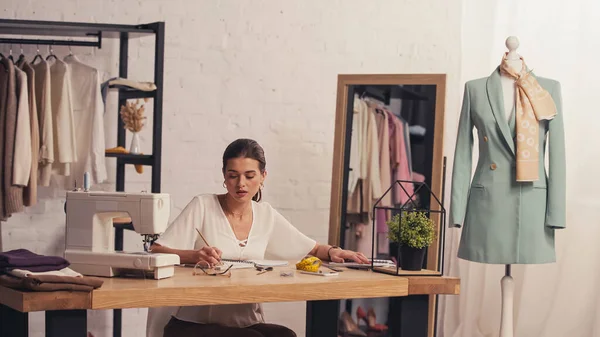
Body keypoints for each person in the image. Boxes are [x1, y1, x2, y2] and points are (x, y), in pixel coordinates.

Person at [150, 138, 370, 337]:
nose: (241, 184)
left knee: (286, 335)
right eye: (233, 175)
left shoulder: (265, 215)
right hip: (192, 323)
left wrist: (335, 251)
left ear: (263, 177)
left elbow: (311, 249)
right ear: (224, 177)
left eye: (249, 175)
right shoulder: (203, 205)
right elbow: (157, 250)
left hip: (244, 322)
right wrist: (194, 255)